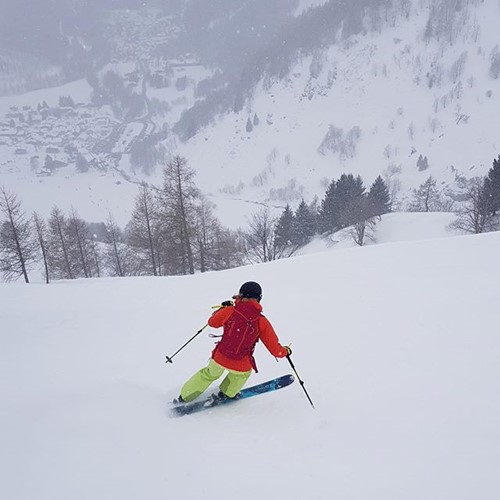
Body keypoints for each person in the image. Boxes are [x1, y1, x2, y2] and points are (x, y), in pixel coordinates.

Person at [177, 281, 291, 403]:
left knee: (208, 374)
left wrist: (222, 309)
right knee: (242, 375)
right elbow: (275, 350)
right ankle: (226, 394)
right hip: (241, 362)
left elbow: (212, 322)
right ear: (259, 298)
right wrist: (286, 351)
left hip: (220, 357)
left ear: (240, 294)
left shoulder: (230, 310)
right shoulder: (261, 321)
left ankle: (185, 396)